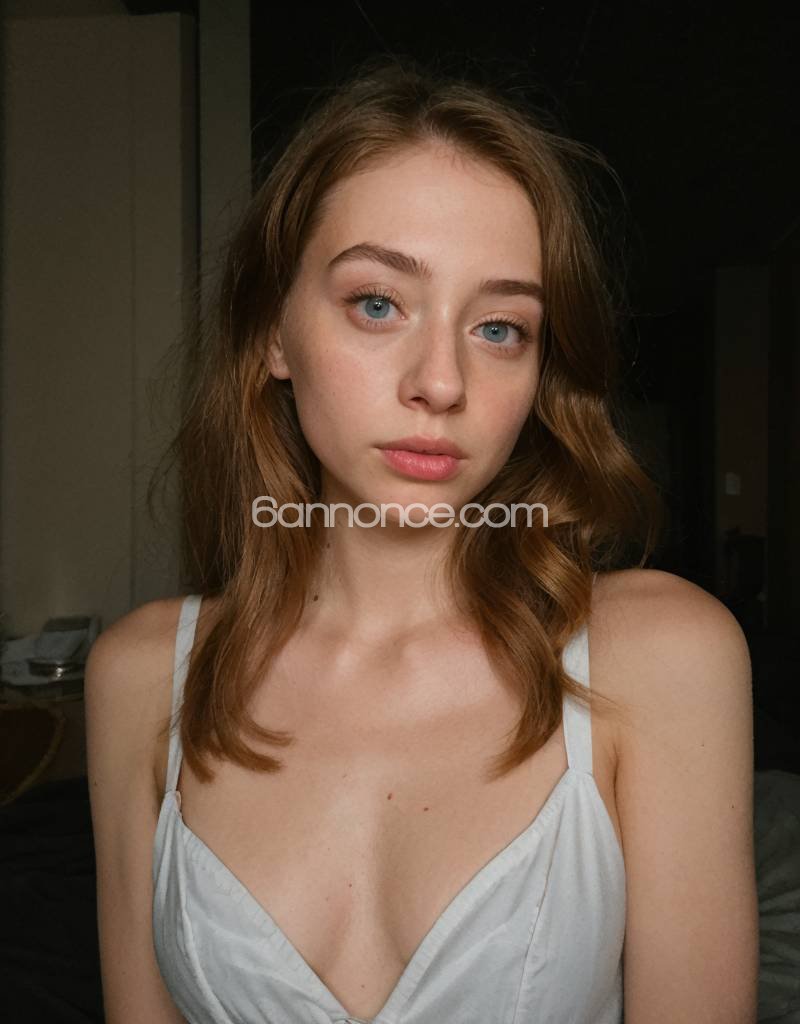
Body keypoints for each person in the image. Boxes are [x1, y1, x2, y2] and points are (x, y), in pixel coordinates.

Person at [84, 57, 759, 1024]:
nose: (440, 382)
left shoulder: (658, 658)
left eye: (500, 328)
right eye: (377, 304)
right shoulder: (143, 679)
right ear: (274, 333)